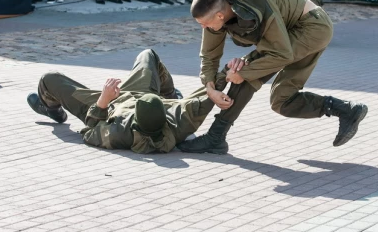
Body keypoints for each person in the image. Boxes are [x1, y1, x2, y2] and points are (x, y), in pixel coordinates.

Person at [177, 0, 368, 154]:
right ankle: (346, 110)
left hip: (311, 27)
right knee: (281, 101)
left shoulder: (256, 4)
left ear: (219, 15)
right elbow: (209, 55)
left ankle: (215, 137)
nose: (203, 28)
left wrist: (245, 71)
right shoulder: (218, 10)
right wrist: (210, 88)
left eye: (204, 23)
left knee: (244, 71)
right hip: (286, 33)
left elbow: (281, 53)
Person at [27, 49, 247, 154]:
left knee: (49, 79)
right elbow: (205, 97)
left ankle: (51, 109)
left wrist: (104, 100)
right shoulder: (179, 123)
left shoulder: (118, 133)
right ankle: (169, 93)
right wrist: (228, 71)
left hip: (109, 104)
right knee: (148, 55)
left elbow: (90, 130)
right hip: (142, 93)